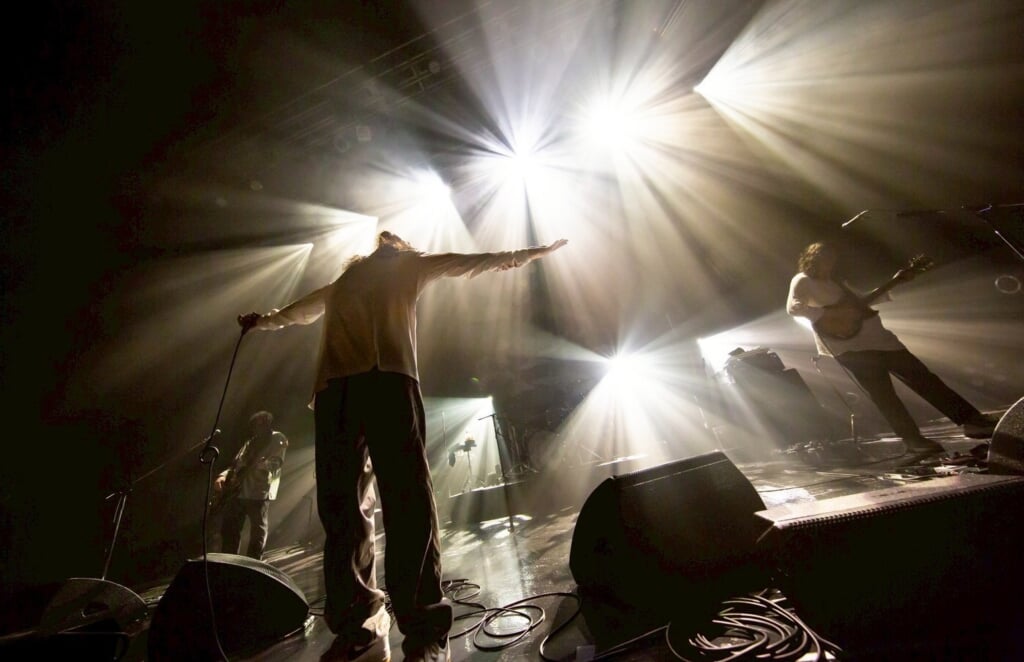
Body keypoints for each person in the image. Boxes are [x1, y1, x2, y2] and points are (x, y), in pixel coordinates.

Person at [237, 231, 568, 662]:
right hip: (340, 389)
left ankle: (421, 624)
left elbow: (473, 261)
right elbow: (298, 311)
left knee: (400, 501)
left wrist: (532, 253)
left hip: (381, 383)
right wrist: (263, 320)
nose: (385, 243)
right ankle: (362, 620)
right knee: (345, 508)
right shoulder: (344, 283)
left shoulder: (407, 266)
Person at [786, 241, 998, 454]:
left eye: (832, 258)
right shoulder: (803, 280)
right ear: (813, 258)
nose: (830, 262)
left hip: (879, 339)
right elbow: (794, 308)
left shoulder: (837, 282)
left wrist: (897, 281)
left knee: (925, 379)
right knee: (885, 396)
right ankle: (914, 441)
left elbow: (862, 302)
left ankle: (971, 421)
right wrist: (832, 314)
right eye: (825, 258)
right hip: (849, 347)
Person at [214, 410, 289, 559]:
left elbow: (276, 463)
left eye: (261, 423)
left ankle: (254, 563)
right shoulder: (249, 442)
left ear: (268, 423)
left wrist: (261, 464)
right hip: (237, 493)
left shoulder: (277, 438)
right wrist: (222, 476)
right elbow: (235, 465)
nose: (257, 427)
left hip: (258, 492)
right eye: (255, 424)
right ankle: (229, 562)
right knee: (229, 530)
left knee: (257, 532)